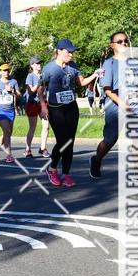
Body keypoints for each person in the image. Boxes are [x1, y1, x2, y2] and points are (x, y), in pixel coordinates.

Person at [39, 39, 101, 187]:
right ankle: (52, 169)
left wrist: (95, 74)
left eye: (72, 52)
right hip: (55, 108)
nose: (71, 55)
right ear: (59, 51)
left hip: (71, 107)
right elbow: (40, 90)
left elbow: (82, 82)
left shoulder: (73, 66)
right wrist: (43, 107)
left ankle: (66, 174)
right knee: (63, 141)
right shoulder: (48, 69)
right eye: (68, 52)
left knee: (70, 142)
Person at [89, 32, 132, 179]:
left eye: (125, 41)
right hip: (115, 107)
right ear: (112, 45)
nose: (124, 44)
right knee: (110, 140)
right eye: (119, 42)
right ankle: (96, 160)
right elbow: (107, 90)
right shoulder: (109, 63)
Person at [0, 64, 20, 163]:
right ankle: (9, 155)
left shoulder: (13, 82)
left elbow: (19, 95)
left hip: (11, 110)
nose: (6, 72)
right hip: (0, 110)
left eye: (7, 70)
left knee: (9, 132)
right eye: (4, 70)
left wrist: (13, 91)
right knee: (7, 132)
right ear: (0, 72)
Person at [24, 56, 49, 158]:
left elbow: (46, 89)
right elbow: (30, 92)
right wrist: (37, 84)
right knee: (32, 128)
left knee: (46, 126)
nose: (40, 65)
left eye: (40, 63)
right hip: (33, 103)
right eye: (37, 63)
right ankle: (28, 149)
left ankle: (43, 148)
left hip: (43, 103)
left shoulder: (43, 75)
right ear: (32, 65)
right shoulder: (30, 76)